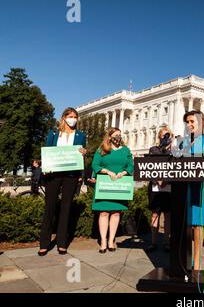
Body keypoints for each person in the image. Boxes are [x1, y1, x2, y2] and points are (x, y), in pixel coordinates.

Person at [38, 107, 87, 256]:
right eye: (70, 116)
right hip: (53, 174)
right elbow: (47, 150)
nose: (73, 119)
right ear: (64, 117)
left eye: (75, 117)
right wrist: (45, 167)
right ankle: (44, 243)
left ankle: (61, 243)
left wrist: (83, 155)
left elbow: (82, 154)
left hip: (71, 175)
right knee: (49, 208)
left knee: (66, 209)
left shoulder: (80, 135)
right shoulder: (53, 133)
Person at [180, 110, 204, 270]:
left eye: (192, 121)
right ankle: (185, 257)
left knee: (198, 224)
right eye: (187, 122)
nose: (189, 125)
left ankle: (197, 260)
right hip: (186, 187)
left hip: (203, 187)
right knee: (186, 223)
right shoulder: (184, 141)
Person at [91, 128, 134, 253]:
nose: (118, 137)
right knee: (103, 212)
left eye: (120, 135)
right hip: (105, 183)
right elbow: (95, 164)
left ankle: (111, 240)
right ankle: (103, 241)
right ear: (109, 137)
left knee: (116, 213)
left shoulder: (125, 150)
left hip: (120, 184)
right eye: (115, 135)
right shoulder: (102, 149)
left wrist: (124, 172)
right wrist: (107, 171)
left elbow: (130, 164)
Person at [146, 126, 174, 253]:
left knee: (168, 215)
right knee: (155, 214)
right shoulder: (153, 149)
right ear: (159, 137)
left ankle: (167, 242)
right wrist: (158, 180)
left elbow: (176, 169)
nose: (165, 138)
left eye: (168, 135)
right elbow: (150, 167)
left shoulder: (175, 151)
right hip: (155, 187)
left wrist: (165, 181)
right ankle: (153, 242)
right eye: (163, 136)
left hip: (168, 188)